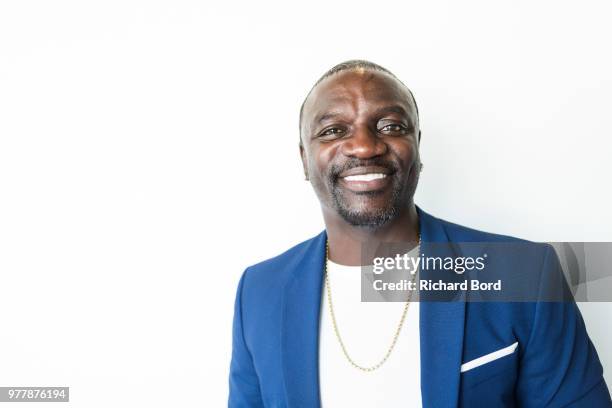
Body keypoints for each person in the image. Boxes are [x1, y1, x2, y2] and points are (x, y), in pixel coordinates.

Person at [228, 60, 611, 407]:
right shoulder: (259, 291)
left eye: (391, 126)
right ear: (304, 160)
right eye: (333, 130)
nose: (363, 146)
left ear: (417, 147)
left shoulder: (523, 273)